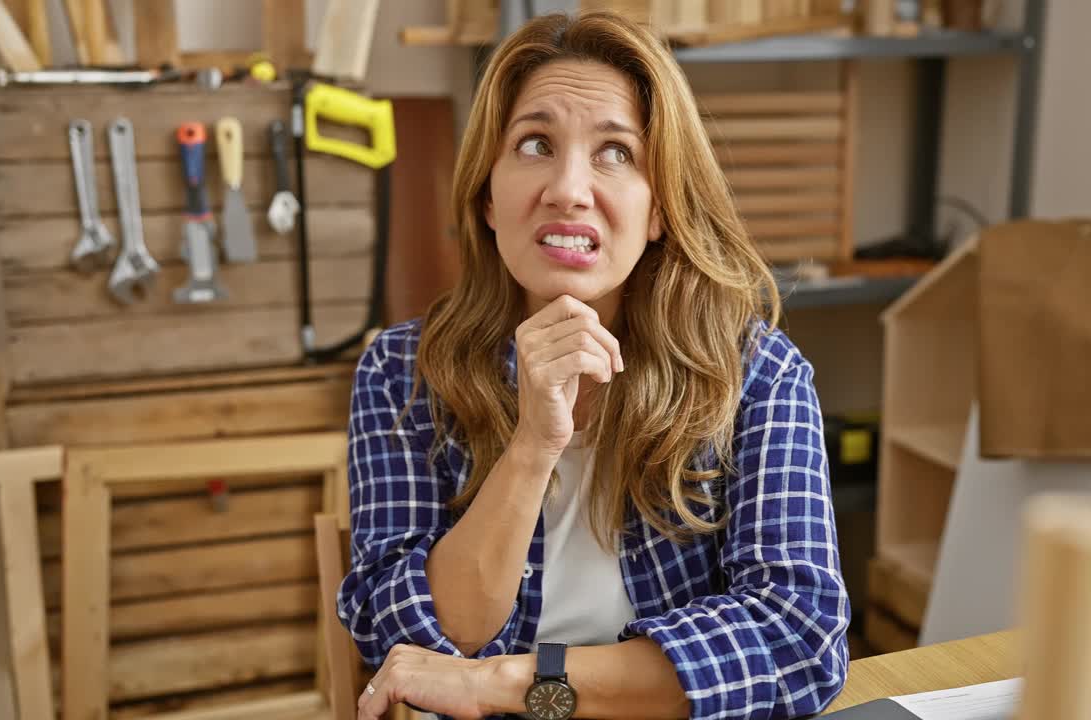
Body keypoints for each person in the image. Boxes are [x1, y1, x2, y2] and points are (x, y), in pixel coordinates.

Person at [337, 10, 849, 720]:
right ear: (489, 194)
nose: (568, 189)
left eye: (615, 153)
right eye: (536, 144)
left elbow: (799, 641)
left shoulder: (757, 374)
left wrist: (511, 684)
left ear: (660, 208)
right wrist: (532, 445)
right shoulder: (401, 373)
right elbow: (407, 637)